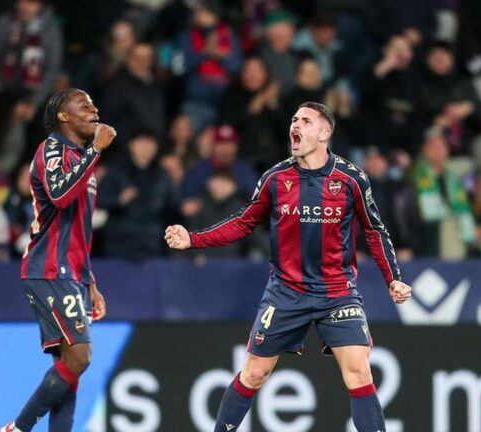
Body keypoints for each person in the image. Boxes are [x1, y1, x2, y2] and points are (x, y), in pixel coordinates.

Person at [165, 102, 413, 432]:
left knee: (359, 370)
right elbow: (243, 222)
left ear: (325, 133)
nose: (295, 125)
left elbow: (374, 230)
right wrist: (193, 239)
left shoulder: (352, 179)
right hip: (286, 291)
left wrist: (393, 278)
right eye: (294, 120)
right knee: (254, 372)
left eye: (306, 121)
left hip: (337, 292)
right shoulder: (275, 178)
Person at [0, 88, 115, 432]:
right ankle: (17, 428)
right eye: (83, 105)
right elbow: (61, 196)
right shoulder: (52, 149)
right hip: (48, 268)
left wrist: (89, 281)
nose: (94, 109)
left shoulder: (82, 159)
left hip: (72, 273)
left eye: (94, 102)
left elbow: (77, 232)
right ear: (63, 117)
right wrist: (95, 149)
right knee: (80, 357)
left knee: (69, 368)